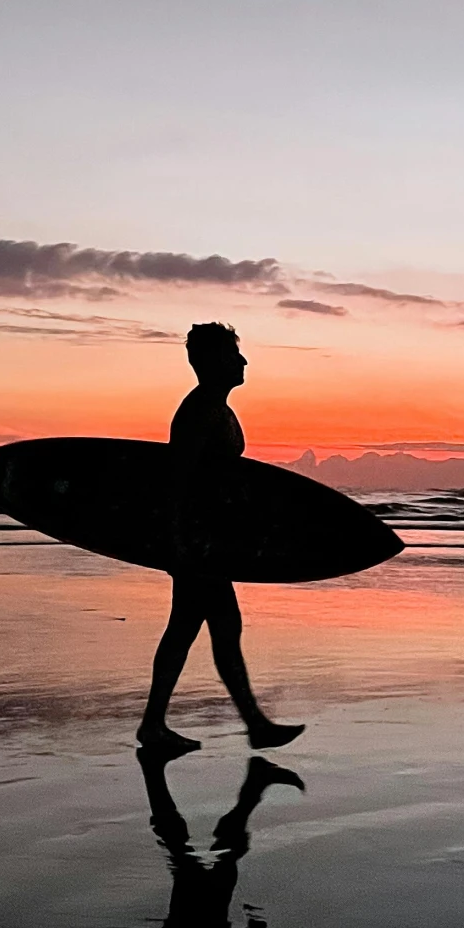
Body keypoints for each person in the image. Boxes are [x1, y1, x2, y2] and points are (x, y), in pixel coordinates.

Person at [135, 322, 305, 757]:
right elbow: (178, 482)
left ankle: (159, 725)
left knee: (194, 630)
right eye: (234, 354)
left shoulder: (219, 409)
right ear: (211, 361)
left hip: (208, 541)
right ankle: (249, 725)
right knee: (211, 629)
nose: (243, 361)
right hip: (198, 544)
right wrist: (180, 544)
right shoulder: (200, 411)